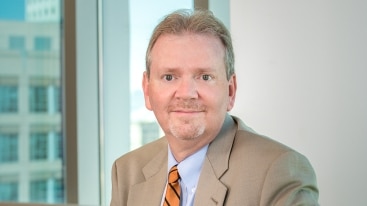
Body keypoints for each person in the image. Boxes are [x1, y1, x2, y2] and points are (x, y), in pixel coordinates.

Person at [110, 9, 319, 206]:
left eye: (205, 77)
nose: (186, 93)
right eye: (169, 77)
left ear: (231, 91)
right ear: (147, 91)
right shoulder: (128, 171)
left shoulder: (278, 173)